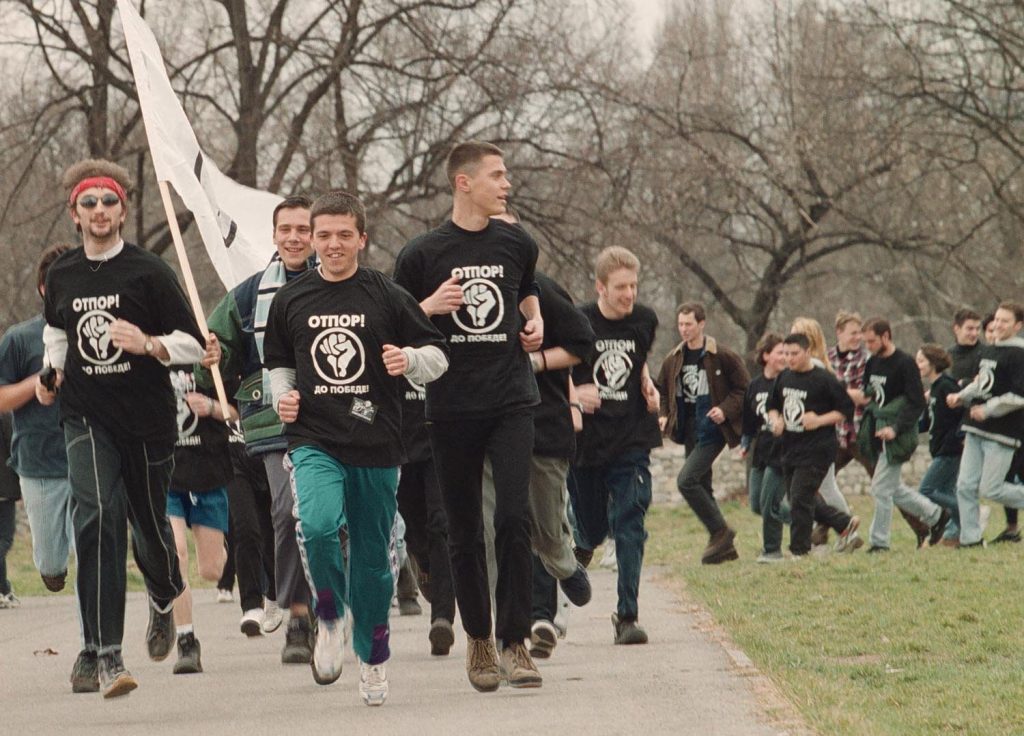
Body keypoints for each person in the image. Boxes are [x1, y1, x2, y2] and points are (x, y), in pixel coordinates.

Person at [37, 159, 215, 698]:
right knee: (98, 516)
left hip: (146, 419)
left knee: (149, 528)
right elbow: (56, 332)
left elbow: (196, 345)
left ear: (123, 209)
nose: (99, 211)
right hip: (87, 415)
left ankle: (164, 592)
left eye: (108, 202)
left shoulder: (149, 272)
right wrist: (53, 370)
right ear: (74, 214)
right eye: (88, 203)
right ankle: (102, 651)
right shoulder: (63, 273)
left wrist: (152, 345)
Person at [264, 190, 448, 705]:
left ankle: (374, 659)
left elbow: (438, 356)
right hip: (314, 438)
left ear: (362, 239)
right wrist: (283, 396)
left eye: (344, 235)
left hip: (376, 442)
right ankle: (328, 616)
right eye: (323, 235)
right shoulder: (290, 299)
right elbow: (278, 363)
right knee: (317, 525)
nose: (332, 244)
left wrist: (409, 360)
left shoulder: (386, 295)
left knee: (373, 561)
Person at [393, 141, 545, 691]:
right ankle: (478, 639)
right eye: (497, 176)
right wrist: (429, 307)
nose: (506, 184)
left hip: (511, 400)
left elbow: (527, 294)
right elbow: (394, 321)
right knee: (462, 531)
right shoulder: (421, 254)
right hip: (451, 406)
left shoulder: (517, 242)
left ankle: (515, 642)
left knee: (512, 518)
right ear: (464, 182)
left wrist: (536, 323)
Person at [196, 195, 316, 659]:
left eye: (303, 229)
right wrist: (212, 356)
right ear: (273, 234)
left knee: (330, 523)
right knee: (289, 513)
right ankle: (299, 618)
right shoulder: (245, 296)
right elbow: (215, 354)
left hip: (331, 420)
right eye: (285, 229)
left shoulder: (339, 287)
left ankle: (332, 600)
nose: (293, 238)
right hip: (270, 423)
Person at [571, 246, 661, 644]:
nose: (629, 295)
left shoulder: (645, 320)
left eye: (634, 286)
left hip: (631, 437)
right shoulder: (579, 322)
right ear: (600, 287)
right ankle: (584, 543)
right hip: (588, 443)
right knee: (591, 527)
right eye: (621, 287)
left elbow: (638, 357)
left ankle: (627, 616)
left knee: (630, 521)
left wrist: (648, 381)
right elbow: (558, 373)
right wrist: (575, 392)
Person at [0, 244, 74, 592]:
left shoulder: (91, 332)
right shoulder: (18, 339)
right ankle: (53, 569)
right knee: (51, 564)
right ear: (43, 288)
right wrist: (37, 381)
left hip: (87, 457)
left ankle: (97, 638)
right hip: (39, 463)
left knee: (95, 553)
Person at [656, 302, 749, 564]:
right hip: (688, 430)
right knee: (702, 486)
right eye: (681, 324)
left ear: (701, 324)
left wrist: (725, 410)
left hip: (713, 430)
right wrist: (664, 415)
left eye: (689, 324)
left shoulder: (721, 355)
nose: (684, 329)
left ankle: (721, 531)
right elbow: (661, 389)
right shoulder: (674, 358)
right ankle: (723, 549)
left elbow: (743, 389)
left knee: (686, 480)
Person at [850, 318, 949, 552]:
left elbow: (916, 403)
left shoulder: (905, 363)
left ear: (886, 336)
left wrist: (896, 428)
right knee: (892, 487)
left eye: (872, 341)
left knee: (881, 489)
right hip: (879, 433)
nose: (869, 346)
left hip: (899, 436)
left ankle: (879, 542)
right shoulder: (873, 363)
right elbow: (870, 394)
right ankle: (936, 516)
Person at [165, 364, 236, 674]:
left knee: (211, 570)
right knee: (176, 552)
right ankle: (186, 640)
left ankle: (226, 550)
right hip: (166, 473)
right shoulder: (149, 352)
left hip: (208, 472)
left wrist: (210, 407)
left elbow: (234, 412)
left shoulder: (209, 356)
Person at [766, 333, 860, 556]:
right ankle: (844, 523)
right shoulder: (784, 377)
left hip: (818, 449)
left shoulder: (824, 379)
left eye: (795, 354)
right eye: (786, 353)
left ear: (808, 352)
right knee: (799, 499)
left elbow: (845, 410)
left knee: (799, 498)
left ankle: (800, 551)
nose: (789, 358)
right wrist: (775, 421)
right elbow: (773, 406)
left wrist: (819, 420)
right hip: (790, 448)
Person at [947, 302, 1024, 548]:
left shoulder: (1019, 354)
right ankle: (971, 539)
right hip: (975, 429)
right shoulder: (989, 351)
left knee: (991, 489)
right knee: (964, 486)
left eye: (1005, 321)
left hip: (1002, 433)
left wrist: (989, 410)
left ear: (1018, 326)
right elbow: (983, 383)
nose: (998, 325)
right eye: (997, 320)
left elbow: (1020, 396)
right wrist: (962, 396)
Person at [740, 333, 792, 563]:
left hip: (781, 448)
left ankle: (772, 551)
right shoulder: (755, 385)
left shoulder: (789, 382)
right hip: (760, 449)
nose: (784, 357)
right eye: (780, 352)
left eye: (786, 353)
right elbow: (749, 420)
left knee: (769, 501)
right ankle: (803, 520)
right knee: (756, 504)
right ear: (766, 355)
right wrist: (744, 443)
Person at [914, 345, 965, 547]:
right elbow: (927, 422)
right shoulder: (934, 388)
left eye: (921, 361)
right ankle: (960, 532)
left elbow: (962, 411)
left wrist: (957, 438)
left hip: (950, 449)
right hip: (938, 448)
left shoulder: (946, 385)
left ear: (933, 363)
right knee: (947, 492)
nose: (917, 365)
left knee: (926, 490)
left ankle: (970, 512)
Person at [0, 412, 19, 608]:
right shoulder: (4, 413)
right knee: (5, 538)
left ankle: (4, 590)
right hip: (3, 487)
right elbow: (14, 447)